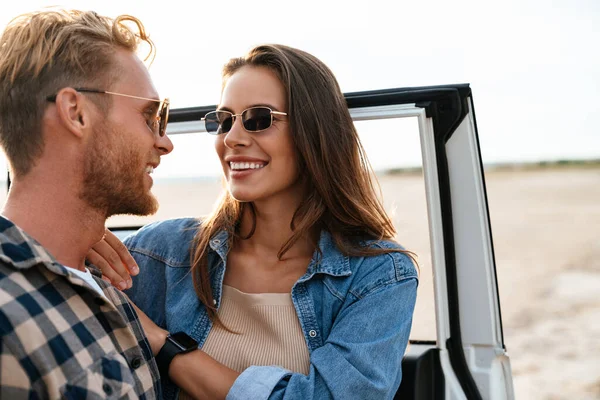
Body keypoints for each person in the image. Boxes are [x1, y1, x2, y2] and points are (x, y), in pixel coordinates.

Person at [93, 44, 418, 399]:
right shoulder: (158, 253)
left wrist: (164, 345)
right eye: (224, 120)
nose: (232, 138)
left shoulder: (379, 276)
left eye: (258, 119)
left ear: (314, 132)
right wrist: (79, 248)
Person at [0, 9, 173, 399]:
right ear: (76, 113)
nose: (164, 142)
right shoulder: (8, 314)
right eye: (149, 116)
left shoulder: (105, 287)